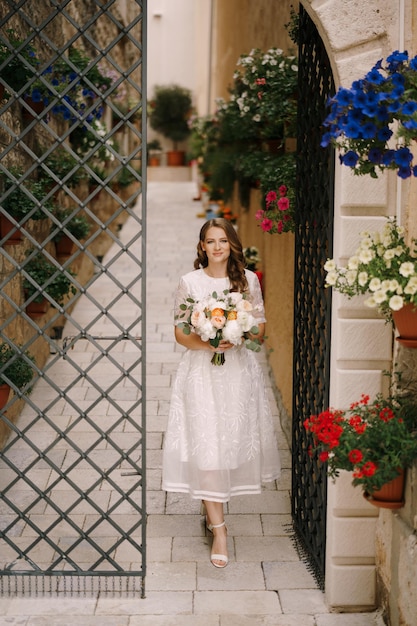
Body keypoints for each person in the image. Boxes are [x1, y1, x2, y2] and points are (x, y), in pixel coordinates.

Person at [162, 218, 281, 568]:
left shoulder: (248, 281)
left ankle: (209, 504)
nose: (217, 247)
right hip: (201, 373)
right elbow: (180, 333)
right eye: (211, 241)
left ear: (232, 245)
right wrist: (208, 339)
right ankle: (220, 530)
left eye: (223, 241)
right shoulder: (190, 282)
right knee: (206, 445)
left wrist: (239, 332)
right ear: (202, 247)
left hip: (237, 374)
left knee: (227, 444)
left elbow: (260, 327)